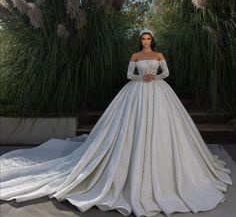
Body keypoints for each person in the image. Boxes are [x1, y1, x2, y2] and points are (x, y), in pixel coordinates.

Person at [0, 29, 232, 217]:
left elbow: (166, 73)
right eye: (143, 38)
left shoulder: (159, 55)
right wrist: (142, 76)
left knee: (165, 130)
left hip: (159, 93)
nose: (145, 41)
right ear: (140, 40)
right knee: (130, 127)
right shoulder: (135, 57)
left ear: (152, 39)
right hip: (137, 91)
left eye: (148, 38)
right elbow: (130, 75)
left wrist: (155, 76)